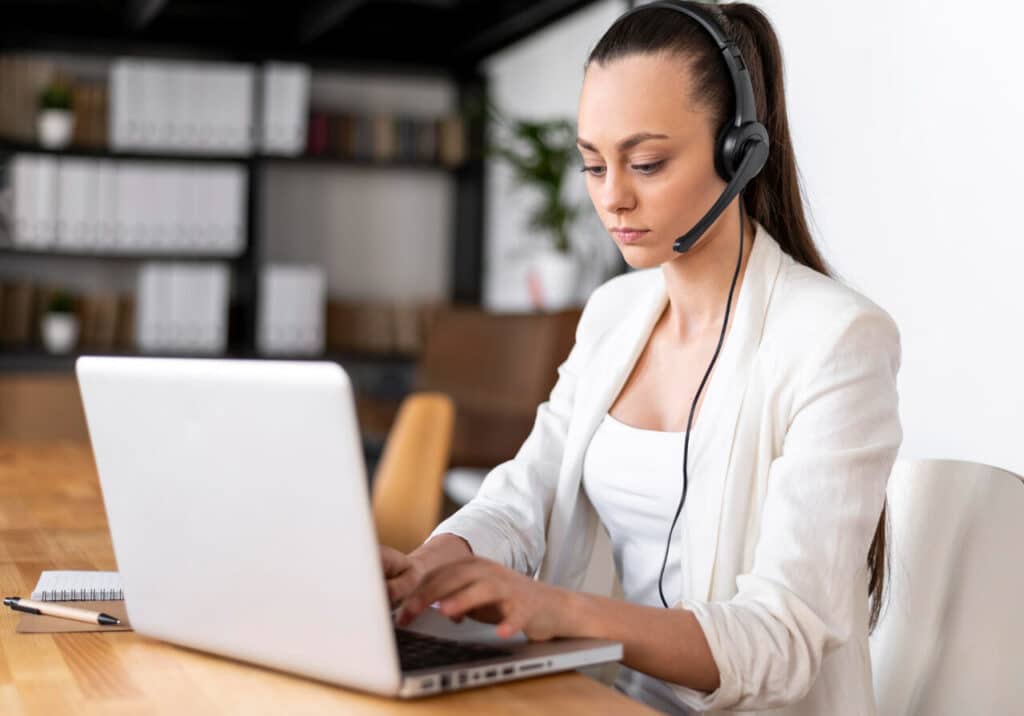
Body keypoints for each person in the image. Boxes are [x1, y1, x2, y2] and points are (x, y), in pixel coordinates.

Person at [382, 2, 902, 714]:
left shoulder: (837, 341)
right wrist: (434, 566)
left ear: (740, 151)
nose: (612, 197)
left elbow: (781, 640)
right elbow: (524, 495)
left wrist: (564, 612)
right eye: (593, 164)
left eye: (647, 162)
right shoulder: (613, 314)